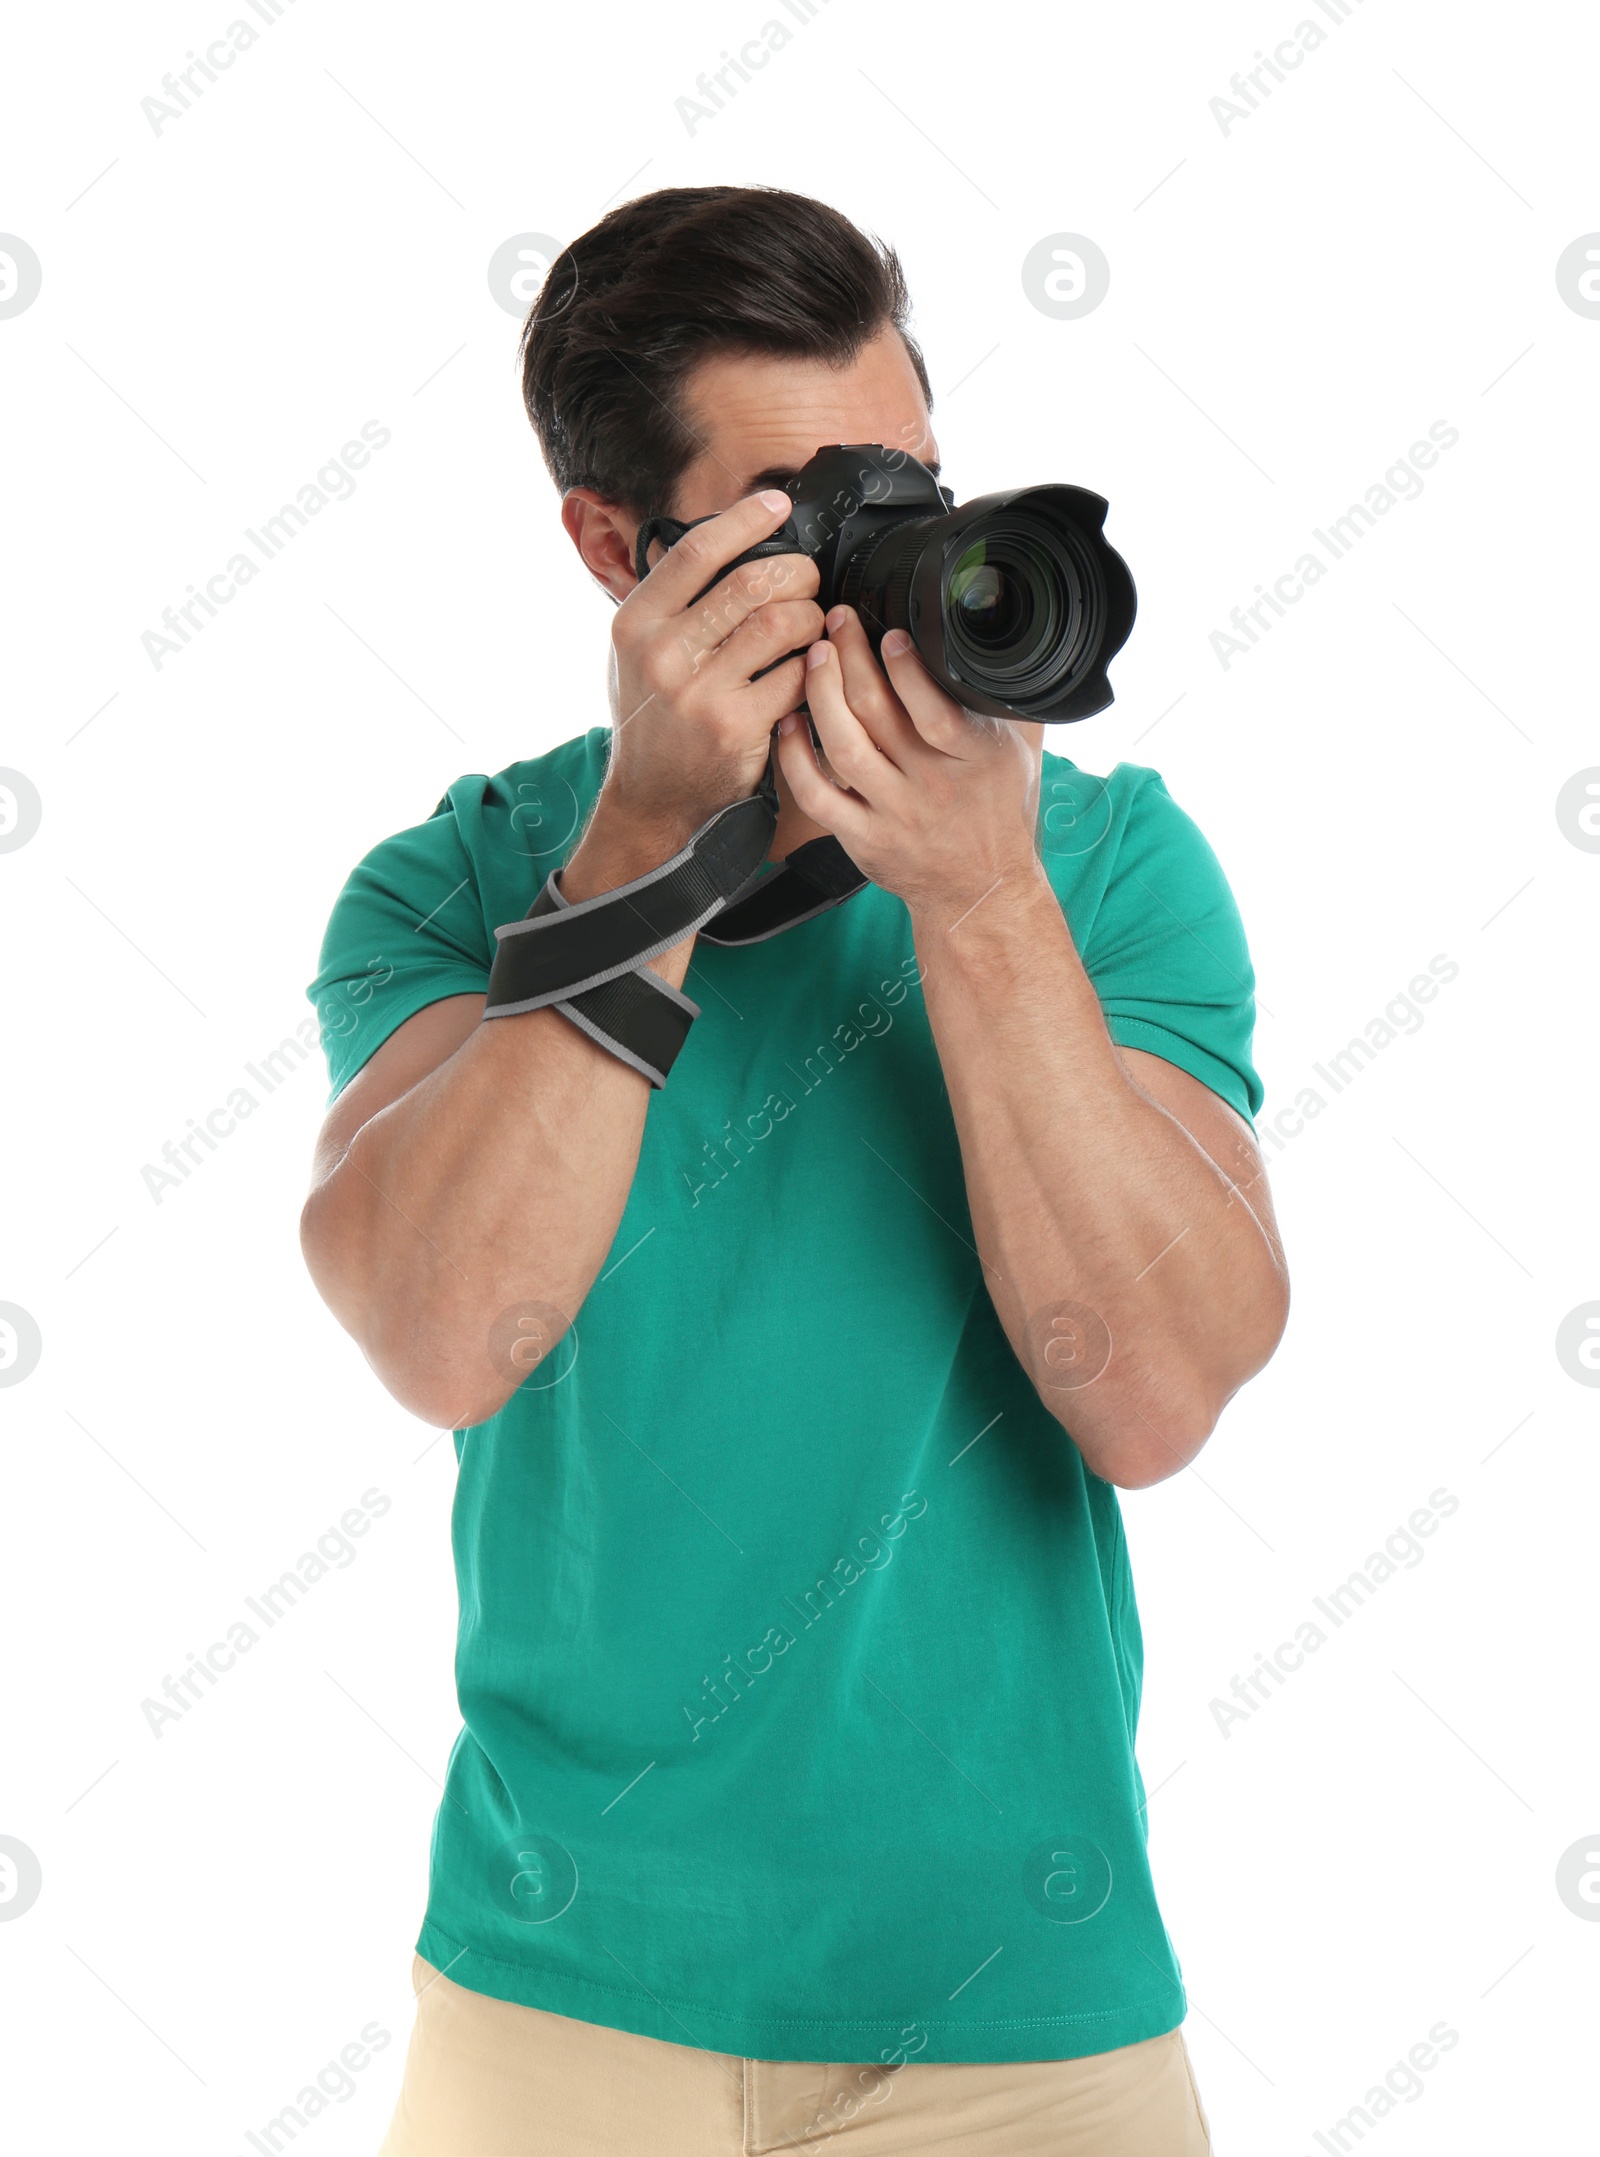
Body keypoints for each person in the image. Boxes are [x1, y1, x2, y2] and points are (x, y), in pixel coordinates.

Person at [300, 184, 1289, 2157]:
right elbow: (441, 1329)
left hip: (1020, 2002)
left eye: (906, 488)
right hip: (561, 1991)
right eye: (797, 515)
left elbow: (1158, 1393)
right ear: (613, 547)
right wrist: (648, 856)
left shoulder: (1101, 869)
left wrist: (980, 898)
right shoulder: (459, 891)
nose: (879, 567)